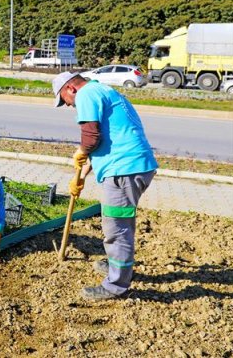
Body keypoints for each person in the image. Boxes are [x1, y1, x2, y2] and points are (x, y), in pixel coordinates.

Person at [52, 71, 158, 301]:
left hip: (124, 171)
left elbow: (91, 137)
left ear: (71, 89)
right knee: (120, 225)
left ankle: (116, 285)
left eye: (65, 101)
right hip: (132, 166)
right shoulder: (103, 90)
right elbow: (106, 142)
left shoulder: (86, 94)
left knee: (116, 228)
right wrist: (81, 177)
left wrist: (80, 151)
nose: (69, 106)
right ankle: (117, 266)